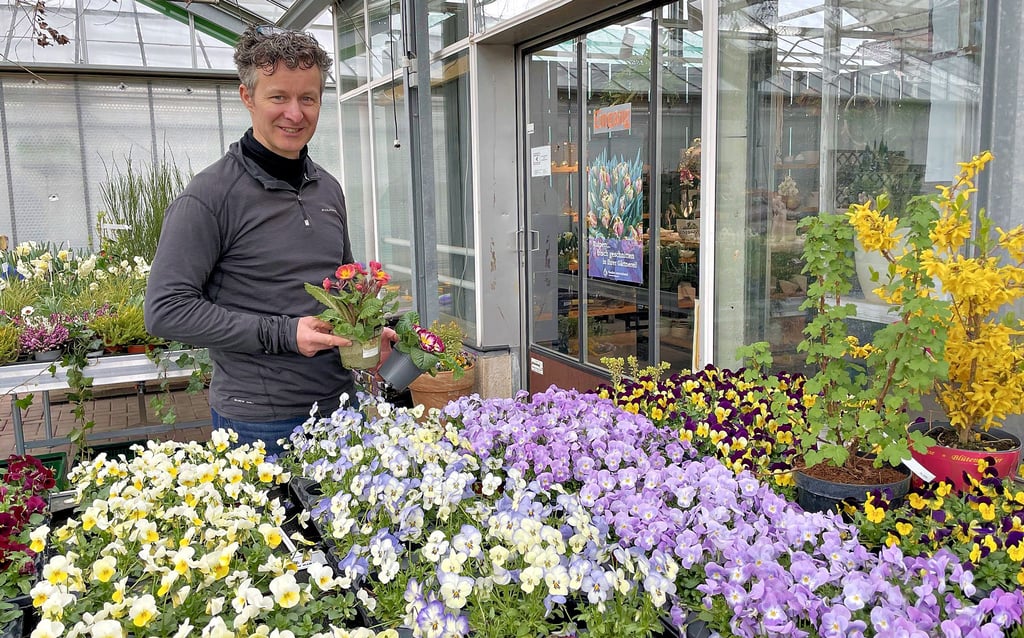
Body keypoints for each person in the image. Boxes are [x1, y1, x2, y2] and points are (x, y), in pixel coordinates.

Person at [145, 25, 391, 456]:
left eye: (308, 98)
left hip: (340, 407)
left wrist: (369, 331)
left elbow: (344, 289)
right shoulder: (210, 196)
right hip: (260, 421)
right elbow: (166, 311)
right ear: (248, 97)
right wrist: (284, 333)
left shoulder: (327, 189)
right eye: (279, 97)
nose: (295, 114)